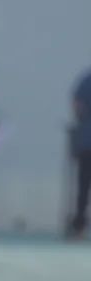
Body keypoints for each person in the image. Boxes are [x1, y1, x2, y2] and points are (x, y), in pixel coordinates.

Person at [66, 66, 91, 241]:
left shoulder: (86, 79)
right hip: (87, 141)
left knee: (83, 186)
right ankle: (79, 224)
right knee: (83, 186)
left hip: (86, 141)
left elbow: (77, 105)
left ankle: (79, 226)